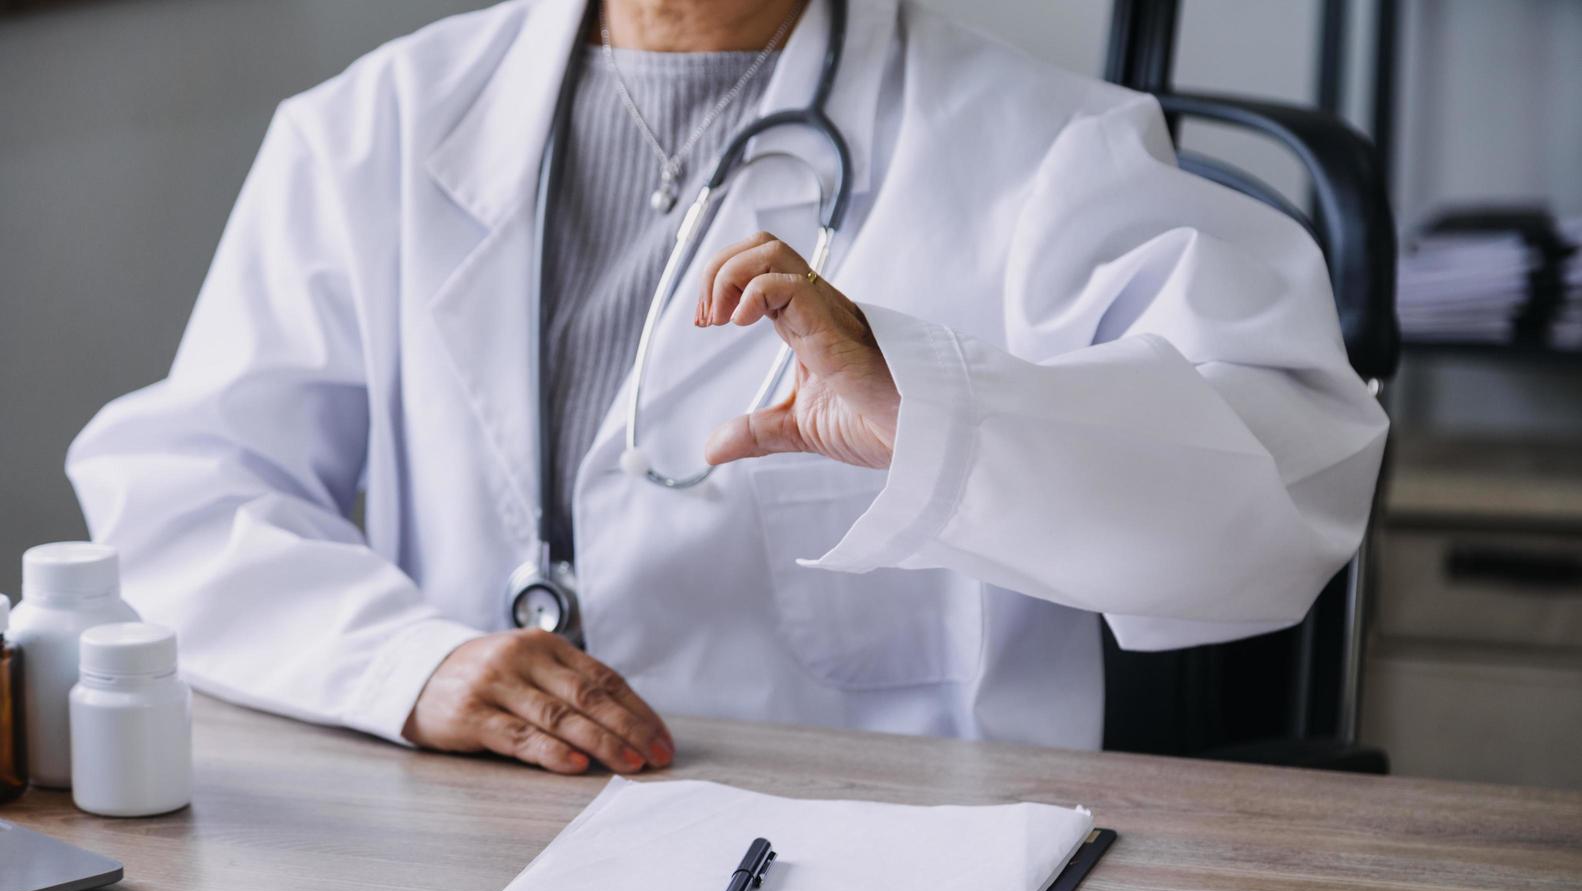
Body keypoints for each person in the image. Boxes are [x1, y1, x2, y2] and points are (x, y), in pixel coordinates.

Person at [67, 0, 1389, 775]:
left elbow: (1284, 499)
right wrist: (405, 665)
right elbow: (185, 493)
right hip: (467, 840)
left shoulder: (1036, 146)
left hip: (887, 870)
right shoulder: (375, 123)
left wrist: (942, 414)